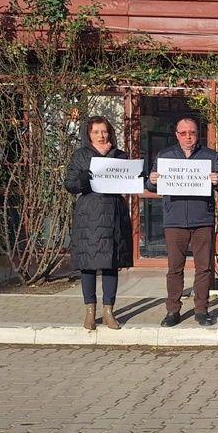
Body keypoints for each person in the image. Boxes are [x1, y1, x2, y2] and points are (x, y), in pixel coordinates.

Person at [147, 116, 218, 327]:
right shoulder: (165, 156)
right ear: (177, 135)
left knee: (203, 269)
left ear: (197, 134)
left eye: (192, 133)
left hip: (202, 219)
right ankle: (172, 311)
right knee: (175, 268)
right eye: (183, 133)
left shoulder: (210, 156)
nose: (188, 137)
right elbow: (151, 185)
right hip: (174, 220)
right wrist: (151, 181)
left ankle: (201, 310)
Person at [65, 116, 134, 331]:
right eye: (96, 132)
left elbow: (130, 181)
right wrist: (86, 176)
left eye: (104, 131)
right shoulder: (81, 156)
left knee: (111, 263)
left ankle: (108, 311)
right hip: (88, 216)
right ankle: (90, 311)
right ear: (89, 135)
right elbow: (70, 184)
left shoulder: (120, 155)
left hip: (114, 214)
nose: (101, 136)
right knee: (88, 264)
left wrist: (137, 176)